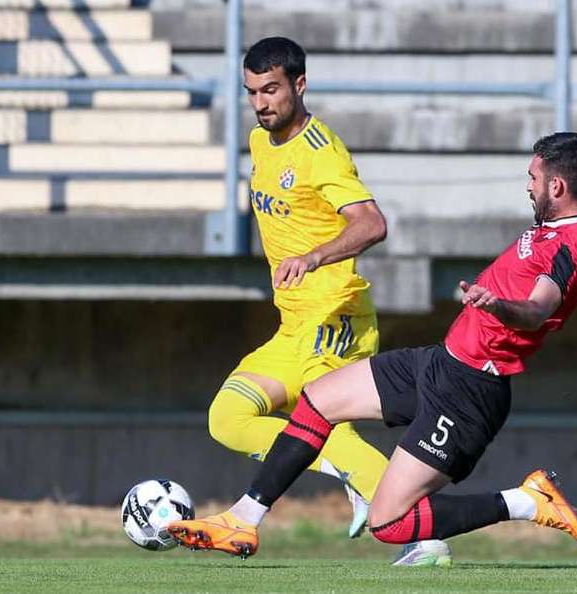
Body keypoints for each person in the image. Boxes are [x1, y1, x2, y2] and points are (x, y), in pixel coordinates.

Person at [168, 132, 577, 559]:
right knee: (317, 401)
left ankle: (526, 502)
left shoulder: (567, 249)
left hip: (472, 391)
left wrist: (498, 305)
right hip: (442, 362)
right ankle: (243, 519)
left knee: (389, 524)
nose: (527, 185)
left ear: (557, 187)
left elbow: (537, 310)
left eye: (533, 177)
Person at [205, 36, 450, 565]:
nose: (261, 103)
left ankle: (425, 534)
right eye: (252, 92)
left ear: (300, 85)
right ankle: (351, 476)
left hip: (337, 318)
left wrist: (315, 257)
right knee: (227, 416)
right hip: (294, 326)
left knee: (320, 424)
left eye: (271, 90)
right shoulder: (259, 141)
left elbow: (372, 223)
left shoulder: (321, 151)